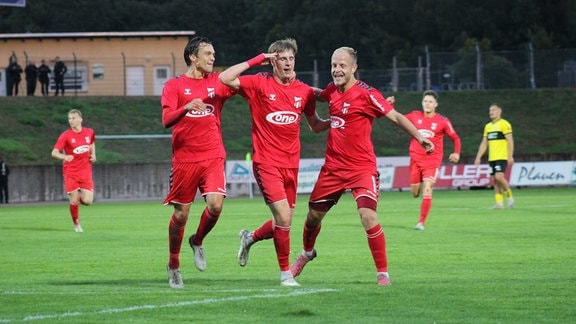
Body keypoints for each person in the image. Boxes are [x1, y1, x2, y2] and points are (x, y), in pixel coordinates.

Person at [289, 47, 434, 286]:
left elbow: (396, 117)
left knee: (368, 215)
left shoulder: (367, 94)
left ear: (354, 68)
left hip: (361, 168)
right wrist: (294, 85)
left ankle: (383, 273)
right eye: (334, 65)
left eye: (342, 65)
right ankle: (306, 253)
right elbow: (318, 94)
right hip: (333, 168)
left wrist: (419, 137)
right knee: (313, 217)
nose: (337, 70)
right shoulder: (332, 91)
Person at [219, 38, 330, 287]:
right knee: (283, 217)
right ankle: (285, 274)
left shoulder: (303, 91)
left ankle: (249, 237)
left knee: (284, 221)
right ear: (273, 61)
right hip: (266, 161)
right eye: (282, 58)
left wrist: (337, 121)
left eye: (291, 58)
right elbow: (225, 78)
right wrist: (258, 58)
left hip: (292, 165)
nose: (288, 63)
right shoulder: (259, 83)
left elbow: (315, 126)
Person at [161, 36, 238, 289]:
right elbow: (166, 120)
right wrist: (186, 108)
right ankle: (173, 264)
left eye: (213, 53)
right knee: (181, 214)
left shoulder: (217, 82)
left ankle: (198, 240)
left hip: (213, 154)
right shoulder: (174, 85)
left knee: (216, 205)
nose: (212, 57)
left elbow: (242, 80)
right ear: (193, 56)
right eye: (207, 53)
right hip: (184, 159)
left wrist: (261, 59)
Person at [404, 90, 461, 230]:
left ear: (436, 104)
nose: (427, 104)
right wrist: (390, 107)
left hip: (432, 161)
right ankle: (421, 187)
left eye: (430, 101)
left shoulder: (443, 121)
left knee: (428, 188)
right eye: (425, 101)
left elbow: (455, 138)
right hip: (415, 160)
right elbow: (398, 119)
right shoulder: (414, 116)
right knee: (415, 193)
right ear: (422, 103)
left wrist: (456, 152)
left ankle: (421, 222)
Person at [51, 109, 96, 232]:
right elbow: (54, 152)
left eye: (74, 118)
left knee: (88, 201)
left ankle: (76, 199)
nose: (71, 120)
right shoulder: (65, 135)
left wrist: (93, 155)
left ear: (80, 119)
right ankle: (76, 225)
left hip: (86, 171)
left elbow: (91, 143)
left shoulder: (89, 132)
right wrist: (65, 156)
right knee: (74, 200)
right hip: (71, 172)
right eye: (69, 118)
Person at [474, 104, 515, 209]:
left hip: (502, 157)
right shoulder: (488, 126)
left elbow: (510, 140)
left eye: (494, 110)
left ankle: (509, 197)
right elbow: (484, 143)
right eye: (490, 110)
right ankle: (499, 203)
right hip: (492, 158)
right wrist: (478, 157)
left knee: (499, 177)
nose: (491, 112)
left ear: (500, 111)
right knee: (495, 180)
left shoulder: (504, 124)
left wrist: (510, 156)